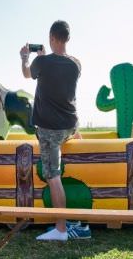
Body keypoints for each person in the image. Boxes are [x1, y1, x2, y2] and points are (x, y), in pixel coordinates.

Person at [20, 20, 88, 241]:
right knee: (68, 137)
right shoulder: (76, 63)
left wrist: (25, 57)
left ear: (51, 37)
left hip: (50, 129)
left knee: (53, 175)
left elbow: (27, 74)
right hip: (70, 125)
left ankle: (60, 229)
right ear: (67, 38)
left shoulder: (43, 62)